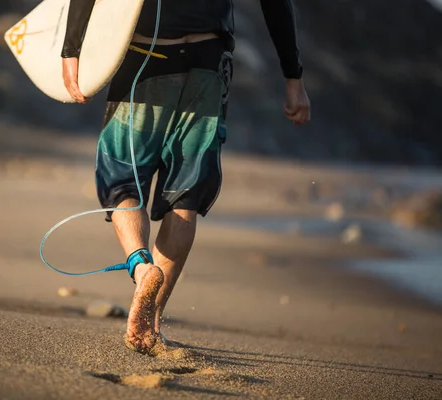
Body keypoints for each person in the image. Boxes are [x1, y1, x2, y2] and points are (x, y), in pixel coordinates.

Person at [60, 0, 311, 356]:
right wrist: (293, 76)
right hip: (207, 61)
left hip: (147, 55)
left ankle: (141, 266)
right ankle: (150, 321)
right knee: (185, 195)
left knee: (122, 180)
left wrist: (72, 49)